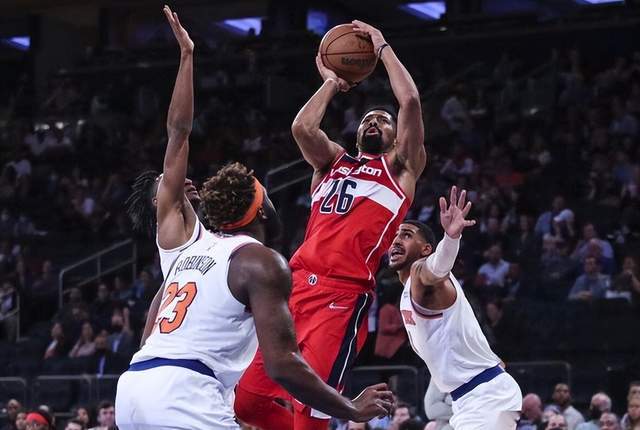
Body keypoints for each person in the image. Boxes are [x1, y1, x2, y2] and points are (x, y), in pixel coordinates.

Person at [236, 19, 426, 430]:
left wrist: (382, 47)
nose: (374, 123)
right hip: (294, 288)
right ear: (356, 135)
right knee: (248, 402)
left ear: (397, 137)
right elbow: (302, 128)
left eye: (383, 120)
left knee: (311, 410)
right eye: (368, 119)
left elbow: (410, 100)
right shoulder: (332, 163)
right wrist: (331, 83)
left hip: (341, 294)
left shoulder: (400, 169)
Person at [115, 162, 393, 429]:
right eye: (268, 196)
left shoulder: (187, 256)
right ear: (261, 211)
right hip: (186, 394)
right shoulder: (259, 261)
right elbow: (282, 364)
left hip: (133, 387)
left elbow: (147, 341)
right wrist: (350, 407)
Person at [389, 187, 522, 429]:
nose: (396, 240)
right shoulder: (409, 291)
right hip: (471, 398)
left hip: (485, 398)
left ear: (426, 249)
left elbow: (436, 269)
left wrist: (451, 239)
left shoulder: (421, 272)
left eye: (406, 235)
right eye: (396, 235)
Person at [123, 3, 208, 346]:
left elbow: (159, 302)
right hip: (182, 356)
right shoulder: (170, 224)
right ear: (158, 202)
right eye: (166, 181)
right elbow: (179, 131)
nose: (180, 180)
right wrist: (187, 55)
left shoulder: (196, 243)